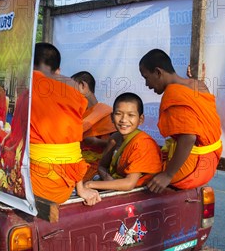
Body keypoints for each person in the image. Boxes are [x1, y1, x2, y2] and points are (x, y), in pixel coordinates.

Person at [139, 49, 222, 193]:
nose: (147, 84)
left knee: (137, 172)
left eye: (146, 77)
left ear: (158, 72)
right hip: (211, 162)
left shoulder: (173, 94)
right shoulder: (198, 85)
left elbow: (189, 138)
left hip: (192, 169)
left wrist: (167, 175)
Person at [29, 42, 101, 206]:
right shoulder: (73, 95)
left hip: (32, 185)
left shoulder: (24, 89)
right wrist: (81, 189)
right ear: (58, 72)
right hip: (63, 188)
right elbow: (73, 146)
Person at [85, 92, 162, 191]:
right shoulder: (115, 138)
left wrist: (89, 185)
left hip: (137, 193)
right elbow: (102, 166)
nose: (124, 120)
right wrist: (107, 179)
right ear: (112, 117)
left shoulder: (143, 144)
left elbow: (129, 184)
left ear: (141, 119)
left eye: (130, 115)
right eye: (118, 114)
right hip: (114, 183)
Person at [71, 71, 117, 178]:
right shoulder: (76, 115)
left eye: (72, 89)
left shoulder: (108, 113)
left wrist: (96, 142)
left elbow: (119, 146)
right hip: (76, 164)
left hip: (100, 166)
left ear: (83, 85)